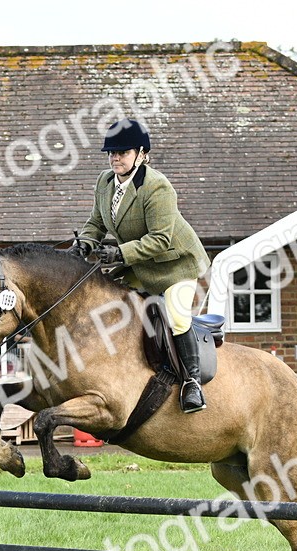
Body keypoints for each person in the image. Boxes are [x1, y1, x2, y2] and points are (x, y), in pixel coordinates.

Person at [68, 118, 211, 413]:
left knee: (176, 316)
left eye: (122, 152)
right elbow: (96, 222)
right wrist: (85, 243)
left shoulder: (157, 187)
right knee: (104, 300)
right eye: (112, 152)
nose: (115, 158)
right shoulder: (105, 182)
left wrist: (119, 254)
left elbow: (160, 239)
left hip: (174, 264)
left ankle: (192, 383)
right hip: (139, 264)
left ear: (141, 154)